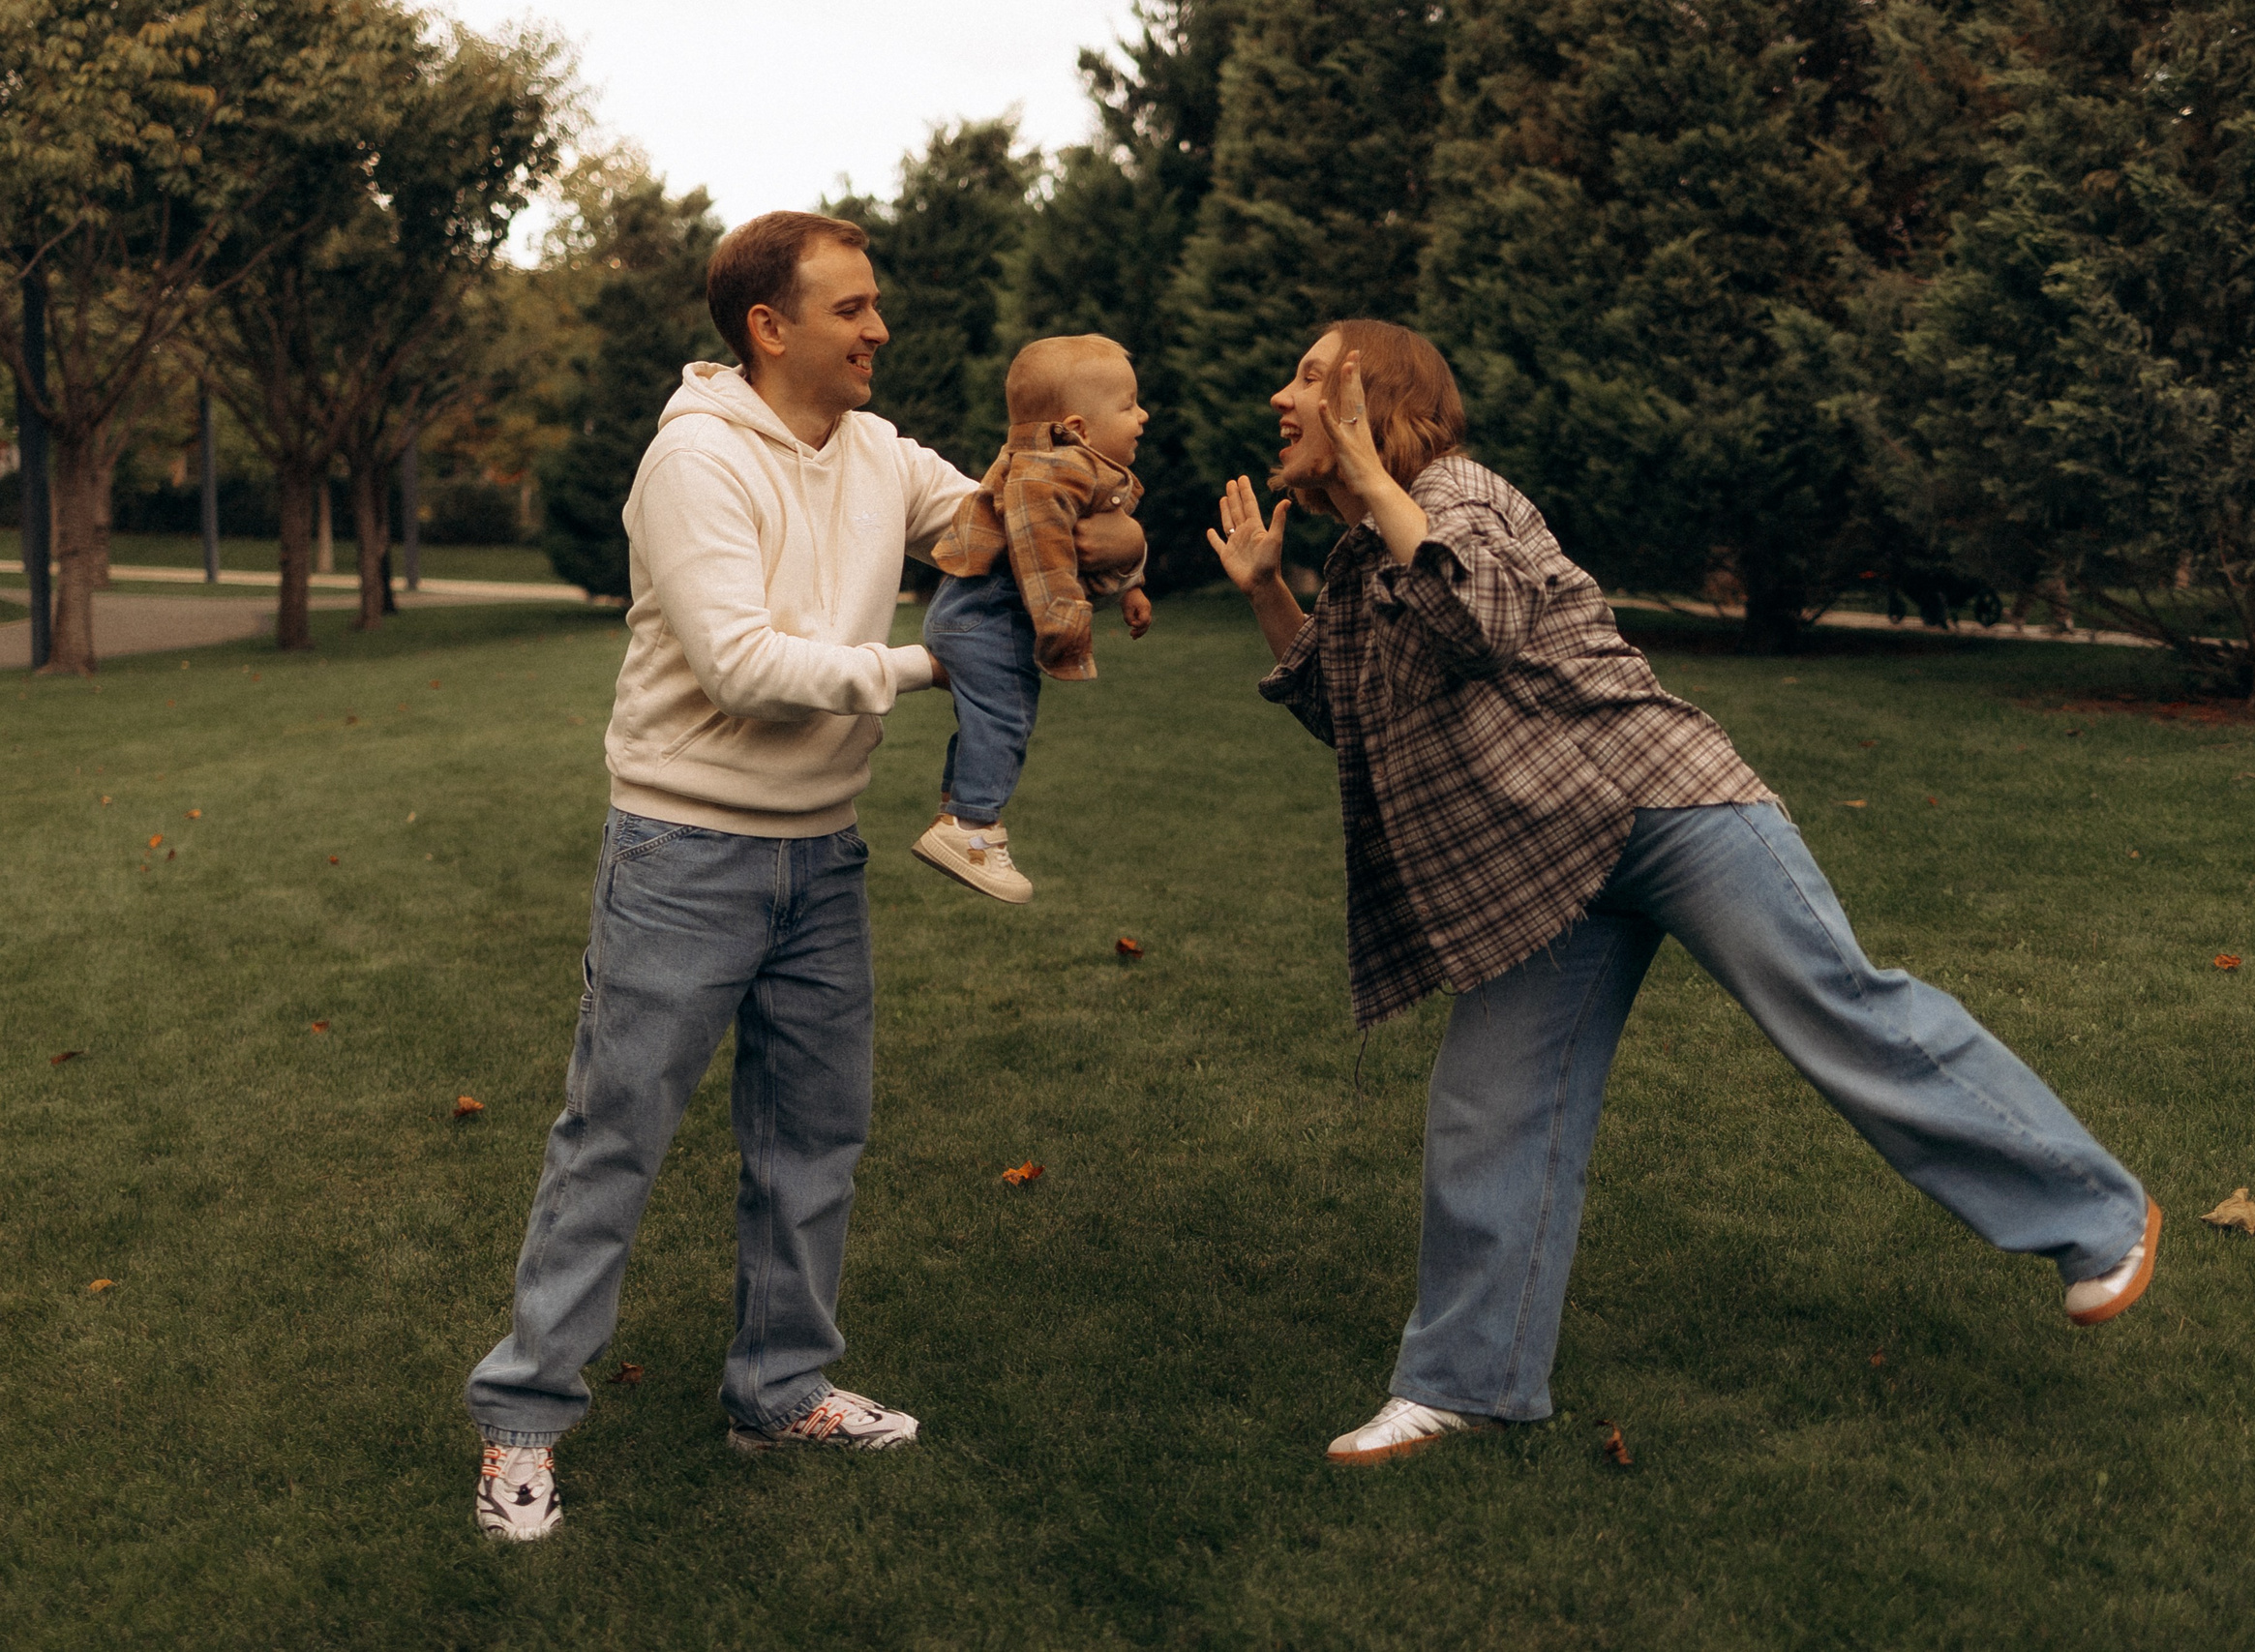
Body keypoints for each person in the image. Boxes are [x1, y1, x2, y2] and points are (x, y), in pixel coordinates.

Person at [1206, 319, 2162, 1467]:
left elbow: (1479, 620)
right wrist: (1269, 593)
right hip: (1541, 865)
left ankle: (2100, 1215)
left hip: (1657, 801)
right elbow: (1348, 716)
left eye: (1309, 378)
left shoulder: (1463, 496)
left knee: (1837, 1007)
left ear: (1373, 397)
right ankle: (1465, 1382)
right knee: (1487, 1110)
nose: (1281, 396)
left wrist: (1368, 475)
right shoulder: (1366, 559)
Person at [462, 211, 1141, 1541]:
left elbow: (993, 520)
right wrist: (928, 665)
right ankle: (522, 1417)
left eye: (876, 304)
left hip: (821, 856)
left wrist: (1080, 493)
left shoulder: (879, 451)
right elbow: (741, 663)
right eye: (853, 308)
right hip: (682, 851)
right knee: (615, 1136)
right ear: (771, 327)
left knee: (812, 1139)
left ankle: (778, 1391)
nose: (879, 328)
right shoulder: (694, 463)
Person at [911, 335, 1154, 903]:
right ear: (1080, 427)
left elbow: (1090, 542)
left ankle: (959, 816)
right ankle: (972, 830)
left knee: (986, 721)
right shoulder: (1050, 475)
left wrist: (1130, 582)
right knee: (1005, 718)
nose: (1142, 416)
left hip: (967, 612)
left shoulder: (1058, 464)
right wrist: (1064, 626)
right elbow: (1044, 553)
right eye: (1128, 406)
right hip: (988, 618)